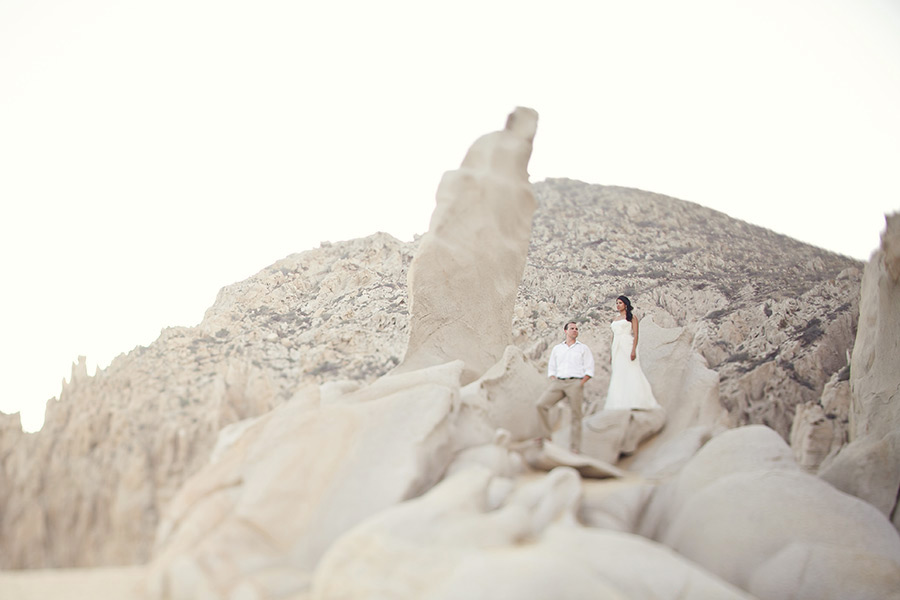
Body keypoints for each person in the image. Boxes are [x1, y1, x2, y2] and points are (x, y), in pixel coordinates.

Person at [536, 321, 594, 452]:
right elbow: (552, 366)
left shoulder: (583, 348)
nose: (575, 330)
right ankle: (546, 436)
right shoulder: (558, 348)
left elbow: (590, 369)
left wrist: (581, 383)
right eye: (572, 328)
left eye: (576, 329)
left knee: (576, 415)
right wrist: (553, 378)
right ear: (565, 331)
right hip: (559, 382)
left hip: (575, 382)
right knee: (541, 405)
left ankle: (575, 448)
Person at [603, 295, 661, 410]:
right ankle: (620, 401)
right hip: (616, 346)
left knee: (632, 369)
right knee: (619, 372)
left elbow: (636, 334)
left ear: (625, 304)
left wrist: (633, 349)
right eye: (617, 303)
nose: (618, 305)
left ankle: (638, 399)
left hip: (627, 344)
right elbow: (613, 336)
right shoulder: (615, 319)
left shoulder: (632, 317)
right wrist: (611, 353)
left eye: (620, 303)